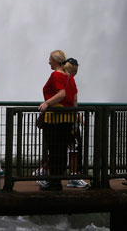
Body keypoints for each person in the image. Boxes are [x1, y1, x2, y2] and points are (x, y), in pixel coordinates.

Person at [37, 50, 78, 191]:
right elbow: (74, 99)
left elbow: (62, 94)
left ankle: (54, 182)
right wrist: (74, 116)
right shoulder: (70, 77)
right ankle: (57, 180)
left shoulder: (56, 75)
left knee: (54, 150)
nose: (48, 62)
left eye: (50, 59)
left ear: (55, 61)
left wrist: (46, 103)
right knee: (61, 150)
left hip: (55, 119)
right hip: (68, 118)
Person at [64, 58, 89, 189]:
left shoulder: (65, 79)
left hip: (67, 118)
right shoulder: (68, 80)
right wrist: (77, 116)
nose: (75, 73)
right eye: (74, 70)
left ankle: (42, 172)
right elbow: (73, 101)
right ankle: (73, 176)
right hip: (69, 120)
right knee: (74, 148)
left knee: (65, 148)